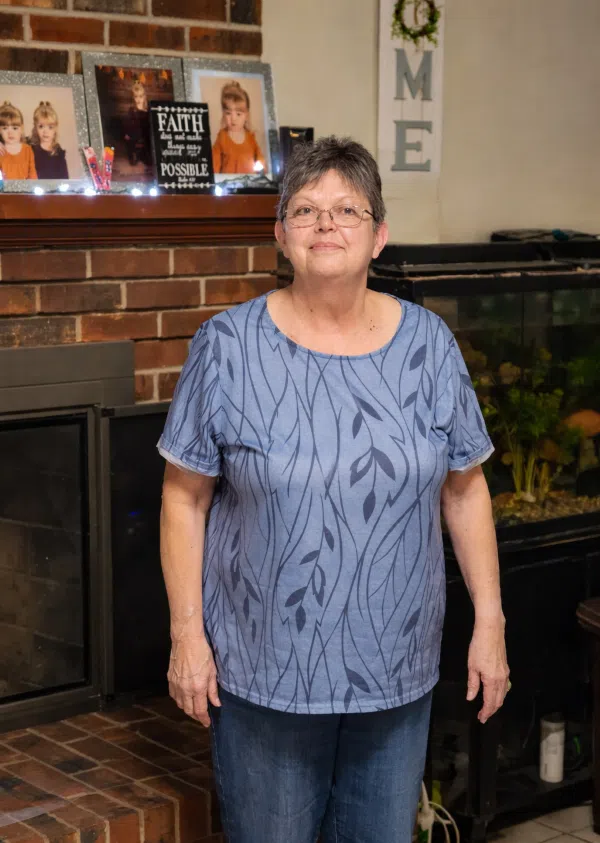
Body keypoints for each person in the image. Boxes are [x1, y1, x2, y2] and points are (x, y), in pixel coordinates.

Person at [158, 136, 509, 843]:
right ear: (280, 233)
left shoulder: (430, 346)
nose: (326, 223)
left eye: (348, 209)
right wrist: (187, 635)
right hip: (264, 674)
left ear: (379, 236)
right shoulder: (227, 347)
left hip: (396, 670)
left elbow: (465, 489)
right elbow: (183, 497)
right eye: (306, 209)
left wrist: (491, 622)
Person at [211, 80, 266, 174]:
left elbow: (260, 164)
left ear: (246, 115)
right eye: (228, 113)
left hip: (248, 183)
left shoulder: (251, 138)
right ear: (223, 114)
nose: (233, 118)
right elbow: (214, 167)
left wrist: (260, 173)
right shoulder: (222, 137)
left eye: (238, 114)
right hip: (228, 183)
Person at [29, 101, 69, 180]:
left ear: (55, 128)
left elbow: (64, 179)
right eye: (41, 126)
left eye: (50, 127)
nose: (45, 131)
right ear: (35, 127)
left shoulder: (59, 153)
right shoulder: (29, 147)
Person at [0, 102, 37, 179]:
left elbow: (33, 176)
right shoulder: (1, 150)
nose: (10, 132)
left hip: (25, 187)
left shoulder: (28, 150)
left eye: (15, 128)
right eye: (5, 128)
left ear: (21, 129)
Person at [123, 81, 151, 167]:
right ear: (133, 98)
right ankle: (133, 155)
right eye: (136, 97)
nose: (138, 99)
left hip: (145, 131)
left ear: (144, 97)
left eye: (141, 96)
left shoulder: (148, 109)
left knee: (148, 137)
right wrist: (127, 133)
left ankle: (146, 155)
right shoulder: (132, 109)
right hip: (135, 131)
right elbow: (128, 122)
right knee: (129, 137)